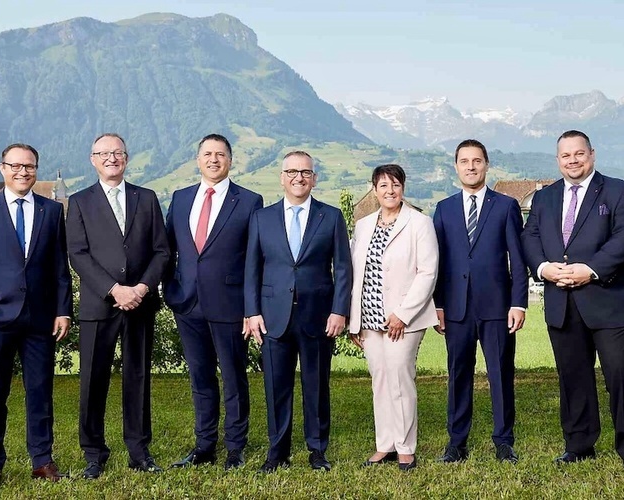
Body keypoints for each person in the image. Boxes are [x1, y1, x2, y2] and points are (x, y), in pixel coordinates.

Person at [520, 130, 624, 472]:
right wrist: (544, 268)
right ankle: (579, 445)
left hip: (611, 301)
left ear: (592, 154)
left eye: (579, 153)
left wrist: (589, 270)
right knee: (573, 376)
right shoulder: (544, 197)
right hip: (561, 300)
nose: (572, 160)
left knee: (621, 375)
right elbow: (530, 237)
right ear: (557, 160)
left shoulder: (620, 191)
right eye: (565, 155)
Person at [0, 143, 72, 489]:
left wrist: (63, 310)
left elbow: (59, 267)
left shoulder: (52, 211)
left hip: (40, 318)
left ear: (36, 170)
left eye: (29, 166)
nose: (23, 172)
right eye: (16, 166)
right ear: (3, 168)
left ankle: (42, 461)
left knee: (40, 392)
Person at [66, 133, 171, 479]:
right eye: (104, 153)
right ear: (93, 159)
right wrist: (114, 290)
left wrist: (140, 288)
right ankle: (93, 453)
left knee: (137, 377)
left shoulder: (147, 198)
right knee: (92, 379)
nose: (111, 158)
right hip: (99, 304)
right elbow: (78, 254)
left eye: (117, 152)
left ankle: (139, 451)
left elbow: (161, 251)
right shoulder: (79, 201)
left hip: (140, 302)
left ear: (126, 158)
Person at [243, 151, 353, 473]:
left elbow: (342, 269)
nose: (298, 178)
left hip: (318, 316)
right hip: (272, 317)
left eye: (305, 172)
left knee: (316, 387)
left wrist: (339, 311)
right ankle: (277, 452)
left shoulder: (330, 217)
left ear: (314, 179)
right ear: (282, 178)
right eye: (292, 172)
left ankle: (317, 451)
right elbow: (252, 269)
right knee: (276, 388)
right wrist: (252, 312)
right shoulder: (262, 218)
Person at [163, 134, 263, 470]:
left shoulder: (249, 201)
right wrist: (170, 289)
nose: (214, 159)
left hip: (230, 305)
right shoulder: (180, 198)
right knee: (200, 377)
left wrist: (251, 308)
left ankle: (235, 448)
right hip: (187, 304)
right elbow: (167, 250)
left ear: (230, 160)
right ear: (198, 159)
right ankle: (204, 446)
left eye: (220, 154)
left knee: (233, 378)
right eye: (207, 154)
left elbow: (254, 259)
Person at [432, 139, 527, 464]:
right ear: (456, 167)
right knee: (458, 374)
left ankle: (504, 441)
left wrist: (518, 303)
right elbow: (437, 262)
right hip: (456, 308)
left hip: (497, 307)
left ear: (486, 165)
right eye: (464, 161)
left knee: (501, 373)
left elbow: (518, 259)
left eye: (476, 161)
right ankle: (456, 443)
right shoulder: (444, 209)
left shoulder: (506, 206)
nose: (471, 167)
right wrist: (438, 305)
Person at [348, 164, 438, 472]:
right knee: (380, 380)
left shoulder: (419, 223)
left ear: (403, 188)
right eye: (383, 185)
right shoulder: (363, 225)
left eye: (395, 184)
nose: (390, 190)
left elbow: (428, 273)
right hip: (369, 318)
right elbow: (355, 274)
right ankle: (384, 444)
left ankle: (405, 447)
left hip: (404, 319)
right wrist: (354, 320)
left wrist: (403, 314)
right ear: (374, 190)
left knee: (400, 378)